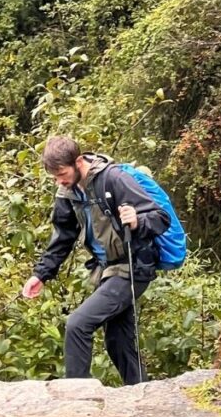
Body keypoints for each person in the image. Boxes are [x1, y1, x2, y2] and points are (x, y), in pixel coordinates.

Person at [22, 135, 170, 385]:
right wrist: (40, 274)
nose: (59, 180)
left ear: (78, 161)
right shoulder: (67, 192)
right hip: (107, 270)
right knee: (118, 342)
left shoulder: (113, 179)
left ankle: (75, 400)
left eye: (62, 173)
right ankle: (142, 396)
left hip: (133, 266)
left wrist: (137, 220)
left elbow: (160, 218)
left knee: (78, 324)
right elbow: (63, 238)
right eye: (54, 176)